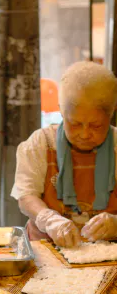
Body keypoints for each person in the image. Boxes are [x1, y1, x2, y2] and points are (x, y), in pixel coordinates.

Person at [11, 61, 117, 248]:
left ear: (111, 115)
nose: (84, 134)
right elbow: (26, 195)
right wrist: (49, 219)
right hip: (45, 247)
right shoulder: (40, 144)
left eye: (96, 125)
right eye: (75, 123)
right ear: (61, 111)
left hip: (108, 252)